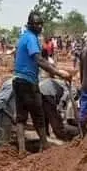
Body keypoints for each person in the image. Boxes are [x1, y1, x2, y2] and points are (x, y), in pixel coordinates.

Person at [13, 11, 72, 155]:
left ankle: (22, 150)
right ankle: (45, 146)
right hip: (28, 82)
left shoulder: (23, 37)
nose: (40, 27)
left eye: (41, 24)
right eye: (37, 24)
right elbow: (39, 60)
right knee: (38, 115)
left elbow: (39, 59)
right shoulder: (32, 39)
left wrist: (55, 69)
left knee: (21, 117)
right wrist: (59, 73)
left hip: (18, 80)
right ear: (31, 25)